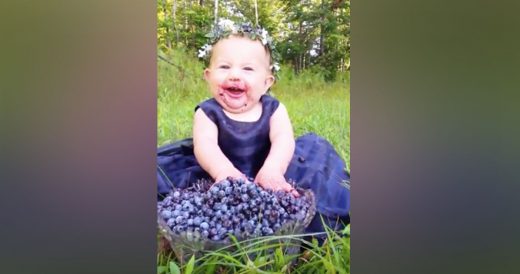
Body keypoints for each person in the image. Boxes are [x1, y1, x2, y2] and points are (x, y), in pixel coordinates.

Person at [157, 19, 349, 235]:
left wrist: (274, 169)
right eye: (224, 67)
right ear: (208, 77)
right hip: (216, 170)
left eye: (248, 68)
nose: (235, 75)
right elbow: (206, 145)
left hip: (270, 165)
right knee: (171, 188)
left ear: (267, 82)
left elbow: (283, 139)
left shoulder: (274, 109)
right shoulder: (207, 112)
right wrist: (223, 172)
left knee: (315, 182)